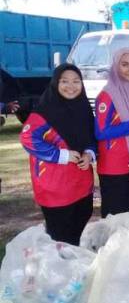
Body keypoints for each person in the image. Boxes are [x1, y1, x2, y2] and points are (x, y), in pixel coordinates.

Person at [20, 64, 96, 244]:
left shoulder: (83, 109)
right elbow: (27, 138)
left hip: (81, 183)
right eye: (65, 81)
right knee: (60, 236)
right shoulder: (44, 113)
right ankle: (59, 270)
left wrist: (89, 153)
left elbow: (92, 137)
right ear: (55, 83)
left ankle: (73, 268)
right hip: (55, 187)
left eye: (76, 81)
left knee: (79, 225)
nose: (71, 86)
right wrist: (61, 155)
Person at [95, 48, 129, 218]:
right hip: (112, 167)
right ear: (115, 67)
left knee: (128, 214)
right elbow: (101, 132)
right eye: (124, 64)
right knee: (113, 217)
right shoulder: (107, 95)